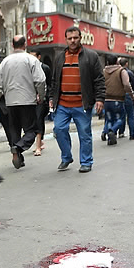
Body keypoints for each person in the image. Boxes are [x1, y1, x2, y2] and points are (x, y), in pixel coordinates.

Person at [50, 26, 105, 173]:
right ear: (66, 39)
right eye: (70, 38)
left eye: (75, 37)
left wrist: (100, 99)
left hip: (82, 104)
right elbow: (55, 80)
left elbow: (99, 80)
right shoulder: (60, 57)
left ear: (80, 38)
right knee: (59, 129)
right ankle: (66, 157)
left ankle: (86, 162)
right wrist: (51, 98)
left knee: (84, 133)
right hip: (62, 103)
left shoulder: (91, 56)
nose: (73, 41)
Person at [0, 35, 45, 169]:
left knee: (14, 131)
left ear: (12, 45)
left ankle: (17, 155)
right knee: (31, 131)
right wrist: (41, 96)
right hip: (28, 101)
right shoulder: (31, 59)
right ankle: (18, 148)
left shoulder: (5, 62)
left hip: (10, 103)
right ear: (25, 44)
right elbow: (40, 80)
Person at [102, 54, 134, 146]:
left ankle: (109, 134)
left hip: (106, 100)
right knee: (120, 118)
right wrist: (132, 96)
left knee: (109, 119)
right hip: (118, 99)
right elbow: (127, 85)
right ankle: (113, 130)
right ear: (117, 62)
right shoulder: (121, 71)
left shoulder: (104, 71)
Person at [29, 50, 52, 156]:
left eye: (33, 56)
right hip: (30, 99)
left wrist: (49, 98)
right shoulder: (27, 68)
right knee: (34, 121)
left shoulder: (45, 68)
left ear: (39, 57)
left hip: (42, 99)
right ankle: (40, 140)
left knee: (38, 119)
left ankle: (38, 146)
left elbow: (49, 84)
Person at [118, 58, 134, 140]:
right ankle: (132, 134)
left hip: (119, 95)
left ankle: (120, 132)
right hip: (127, 94)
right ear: (126, 63)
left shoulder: (117, 72)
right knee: (130, 115)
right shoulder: (128, 72)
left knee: (122, 114)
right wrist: (133, 95)